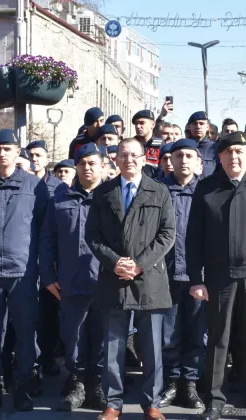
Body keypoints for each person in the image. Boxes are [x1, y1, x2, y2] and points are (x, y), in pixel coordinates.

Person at [186, 131, 246, 420]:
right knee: (218, 340)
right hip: (219, 277)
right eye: (228, 152)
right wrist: (196, 279)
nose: (234, 157)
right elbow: (193, 238)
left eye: (239, 151)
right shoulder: (206, 189)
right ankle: (214, 402)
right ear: (219, 157)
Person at [85, 137, 175, 420]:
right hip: (114, 277)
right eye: (123, 155)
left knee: (152, 347)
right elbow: (93, 236)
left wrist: (139, 264)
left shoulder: (159, 191)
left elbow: (167, 234)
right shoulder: (103, 193)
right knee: (113, 346)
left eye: (135, 155)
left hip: (149, 278)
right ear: (115, 159)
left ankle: (152, 404)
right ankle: (113, 404)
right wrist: (115, 262)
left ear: (143, 158)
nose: (129, 160)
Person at [0, 129, 49, 413]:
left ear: (17, 152)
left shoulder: (34, 186)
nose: (2, 153)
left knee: (26, 333)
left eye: (8, 148)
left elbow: (44, 227)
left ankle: (22, 388)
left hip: (22, 272)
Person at [39, 143, 107, 412]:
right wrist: (47, 276)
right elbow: (47, 241)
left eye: (92, 163)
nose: (87, 168)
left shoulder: (113, 198)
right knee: (73, 336)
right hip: (70, 281)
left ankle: (97, 384)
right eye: (82, 164)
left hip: (105, 281)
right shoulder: (60, 200)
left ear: (102, 166)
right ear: (76, 167)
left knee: (103, 337)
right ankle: (77, 383)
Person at [157, 139, 207, 411]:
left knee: (197, 334)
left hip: (199, 276)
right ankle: (172, 381)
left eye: (189, 156)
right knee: (169, 334)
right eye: (178, 155)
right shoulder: (157, 190)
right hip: (165, 275)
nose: (183, 160)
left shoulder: (208, 190)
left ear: (198, 162)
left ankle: (191, 383)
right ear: (170, 160)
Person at [25, 140, 64, 378]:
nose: (34, 159)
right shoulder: (23, 184)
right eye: (30, 155)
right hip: (26, 256)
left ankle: (48, 357)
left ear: (47, 158)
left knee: (49, 312)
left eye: (38, 155)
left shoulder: (58, 187)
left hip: (50, 257)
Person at [187, 112, 218, 177]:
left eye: (201, 124)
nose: (198, 127)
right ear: (189, 127)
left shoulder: (215, 148)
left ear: (207, 127)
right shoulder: (184, 148)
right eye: (195, 124)